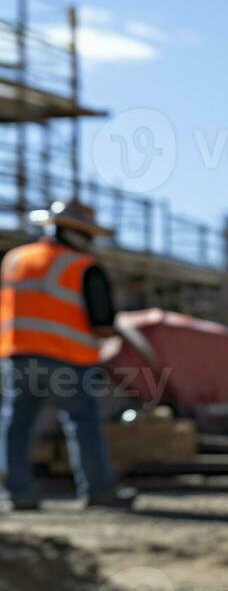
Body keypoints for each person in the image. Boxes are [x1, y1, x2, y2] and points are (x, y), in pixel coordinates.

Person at [1, 202, 135, 510]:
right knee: (82, 423)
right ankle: (98, 491)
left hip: (18, 355)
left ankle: (17, 493)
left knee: (17, 425)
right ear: (79, 233)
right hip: (68, 359)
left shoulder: (14, 259)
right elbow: (103, 325)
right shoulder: (83, 266)